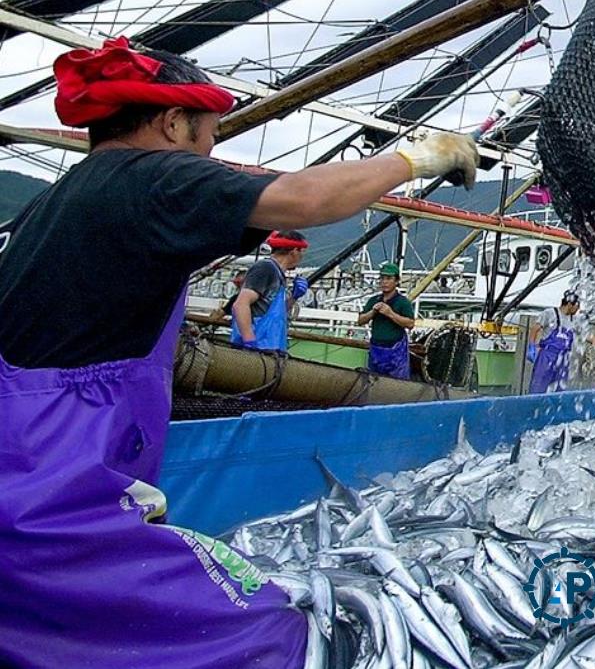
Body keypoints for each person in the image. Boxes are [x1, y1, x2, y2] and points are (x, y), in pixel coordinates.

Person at [0, 37, 478, 668]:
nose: (211, 155)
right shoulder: (154, 179)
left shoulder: (64, 200)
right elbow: (306, 198)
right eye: (208, 137)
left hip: (31, 469)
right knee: (263, 638)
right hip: (46, 494)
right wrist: (417, 158)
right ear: (172, 123)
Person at [230, 229, 309, 351]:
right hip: (257, 343)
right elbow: (240, 305)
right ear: (294, 251)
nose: (302, 257)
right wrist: (249, 340)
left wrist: (294, 297)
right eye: (302, 252)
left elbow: (272, 312)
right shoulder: (265, 268)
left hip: (270, 344)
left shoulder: (278, 273)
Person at [358, 262, 415, 378]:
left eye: (389, 278)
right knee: (373, 380)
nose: (384, 282)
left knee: (397, 384)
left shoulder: (403, 302)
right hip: (376, 349)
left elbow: (410, 324)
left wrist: (391, 314)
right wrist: (372, 312)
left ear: (397, 281)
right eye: (382, 278)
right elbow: (360, 320)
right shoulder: (374, 300)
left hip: (396, 351)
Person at [527, 290, 581, 394]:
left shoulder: (574, 320)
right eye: (577, 306)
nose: (578, 309)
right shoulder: (550, 314)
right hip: (547, 356)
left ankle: (554, 408)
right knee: (538, 387)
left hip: (563, 359)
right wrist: (531, 346)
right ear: (570, 304)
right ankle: (533, 407)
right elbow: (535, 328)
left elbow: (587, 336)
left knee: (559, 390)